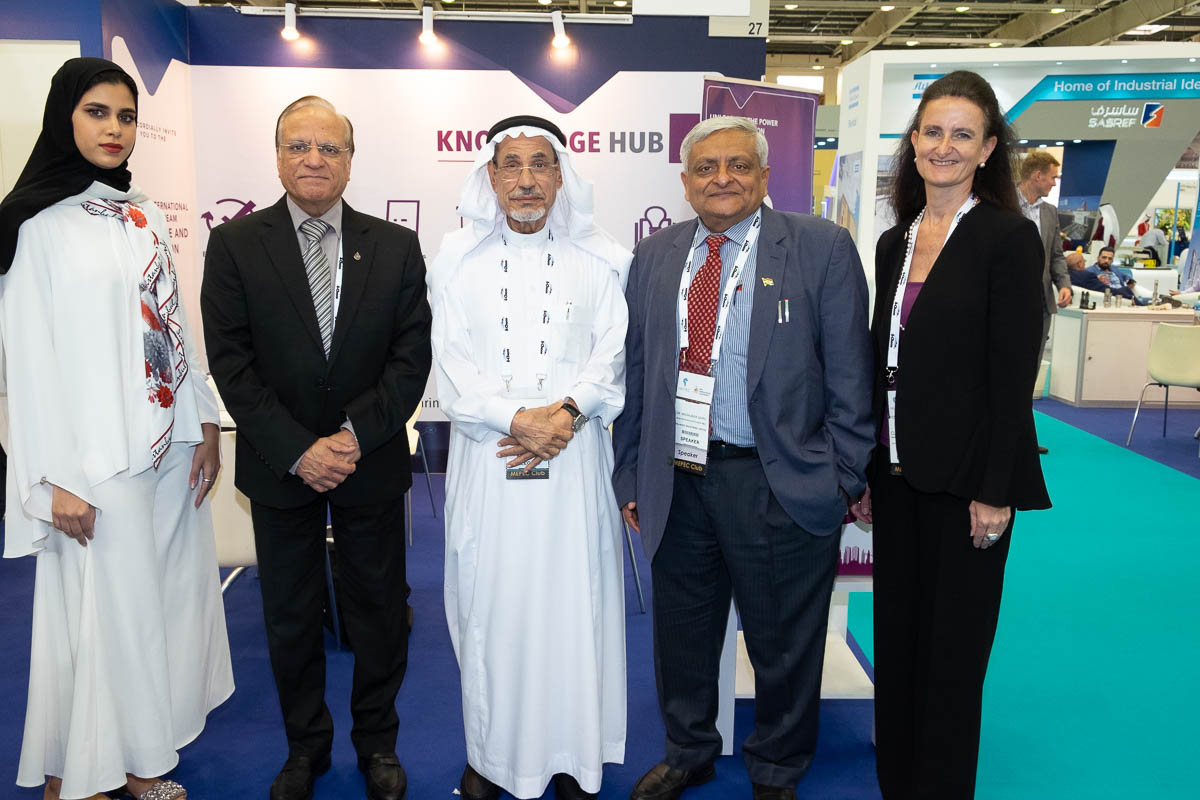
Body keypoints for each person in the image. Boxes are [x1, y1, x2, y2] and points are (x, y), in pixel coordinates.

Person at [612, 116, 873, 800]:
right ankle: (688, 750)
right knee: (682, 633)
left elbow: (852, 373)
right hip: (678, 479)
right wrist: (631, 471)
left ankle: (777, 766)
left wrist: (841, 477)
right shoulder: (656, 255)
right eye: (706, 167)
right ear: (684, 182)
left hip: (777, 480)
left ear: (763, 175)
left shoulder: (820, 247)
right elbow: (638, 373)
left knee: (782, 640)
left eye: (738, 165)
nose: (721, 178)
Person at [0, 57, 233, 800]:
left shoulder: (142, 213)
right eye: (97, 112)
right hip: (94, 457)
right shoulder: (32, 225)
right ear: (63, 117)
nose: (115, 129)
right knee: (104, 611)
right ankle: (94, 773)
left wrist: (204, 417)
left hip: (166, 445)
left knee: (154, 608)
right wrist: (52, 478)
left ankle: (126, 760)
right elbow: (27, 360)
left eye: (127, 116)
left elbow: (173, 321)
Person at [201, 96, 431, 800]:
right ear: (277, 157)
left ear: (350, 160)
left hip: (370, 461)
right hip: (281, 465)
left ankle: (378, 743)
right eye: (298, 146)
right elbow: (231, 363)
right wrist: (301, 449)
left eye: (329, 148)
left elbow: (410, 359)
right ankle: (305, 748)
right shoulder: (236, 245)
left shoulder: (395, 246)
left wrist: (353, 436)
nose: (313, 160)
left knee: (379, 612)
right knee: (292, 616)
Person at [851, 70, 1051, 799]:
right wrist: (868, 470)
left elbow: (1012, 376)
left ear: (988, 148)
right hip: (896, 480)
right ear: (913, 141)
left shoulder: (1007, 238)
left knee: (952, 663)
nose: (944, 146)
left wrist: (995, 490)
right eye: (932, 131)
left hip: (968, 487)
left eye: (963, 134)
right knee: (899, 647)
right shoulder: (895, 242)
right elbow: (882, 362)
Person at [428, 115, 630, 800]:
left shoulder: (599, 261)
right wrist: (516, 420)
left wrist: (563, 415)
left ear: (561, 176)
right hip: (490, 458)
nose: (525, 180)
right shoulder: (456, 263)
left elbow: (612, 356)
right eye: (510, 165)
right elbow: (451, 364)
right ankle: (493, 756)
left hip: (573, 463)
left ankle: (574, 756)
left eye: (540, 163)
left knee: (575, 608)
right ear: (489, 177)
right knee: (492, 608)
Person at [1068, 251, 1135, 299]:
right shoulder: (1089, 273)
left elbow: (1124, 276)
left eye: (1110, 259)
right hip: (1111, 297)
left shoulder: (1066, 275)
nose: (1106, 261)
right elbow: (1105, 290)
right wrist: (1125, 291)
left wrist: (1129, 280)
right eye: (1104, 257)